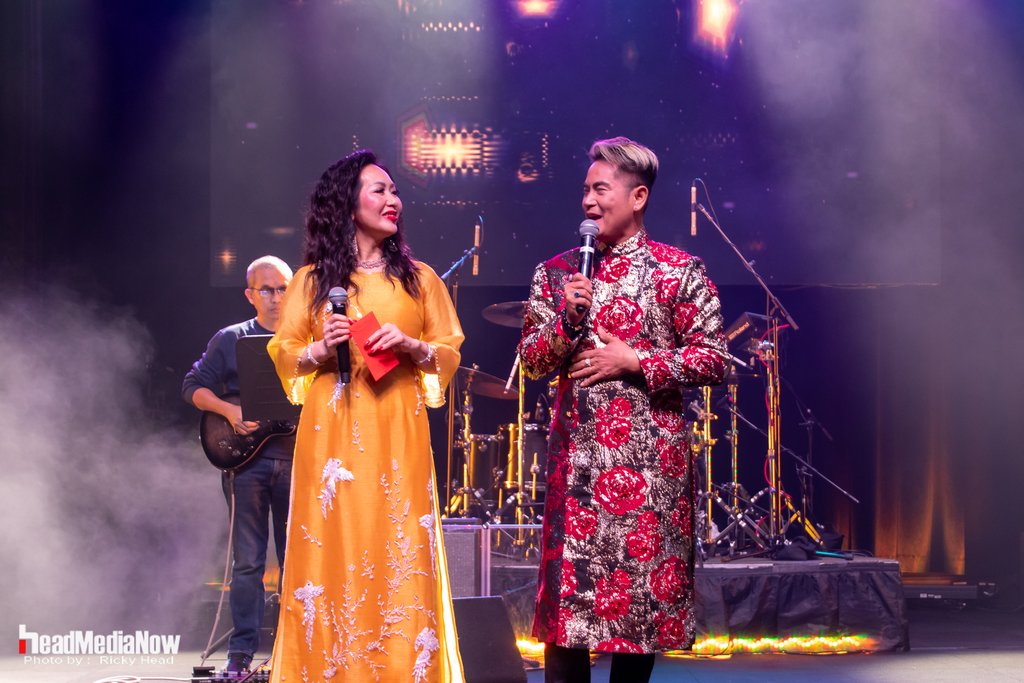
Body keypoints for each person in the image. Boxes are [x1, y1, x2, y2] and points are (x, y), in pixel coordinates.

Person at [518, 137, 729, 683]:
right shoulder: (557, 273)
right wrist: (567, 320)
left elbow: (714, 358)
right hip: (578, 471)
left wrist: (637, 360)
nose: (588, 200)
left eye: (600, 189)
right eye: (585, 190)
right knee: (566, 619)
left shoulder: (678, 270)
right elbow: (532, 362)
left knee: (640, 617)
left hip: (651, 472)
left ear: (638, 197)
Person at [266, 150, 465, 682]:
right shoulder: (310, 282)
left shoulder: (420, 280)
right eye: (380, 190)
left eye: (394, 190)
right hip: (331, 435)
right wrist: (318, 349)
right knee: (333, 549)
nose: (393, 199)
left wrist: (412, 345)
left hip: (397, 433)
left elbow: (448, 352)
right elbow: (284, 353)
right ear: (347, 205)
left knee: (398, 549)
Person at [182, 255, 296, 674]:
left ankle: (292, 647)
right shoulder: (231, 338)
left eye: (283, 288)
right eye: (266, 289)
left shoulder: (308, 339)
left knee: (297, 560)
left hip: (296, 461)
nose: (276, 297)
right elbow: (192, 387)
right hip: (246, 463)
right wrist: (229, 412)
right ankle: (242, 652)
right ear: (250, 295)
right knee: (248, 561)